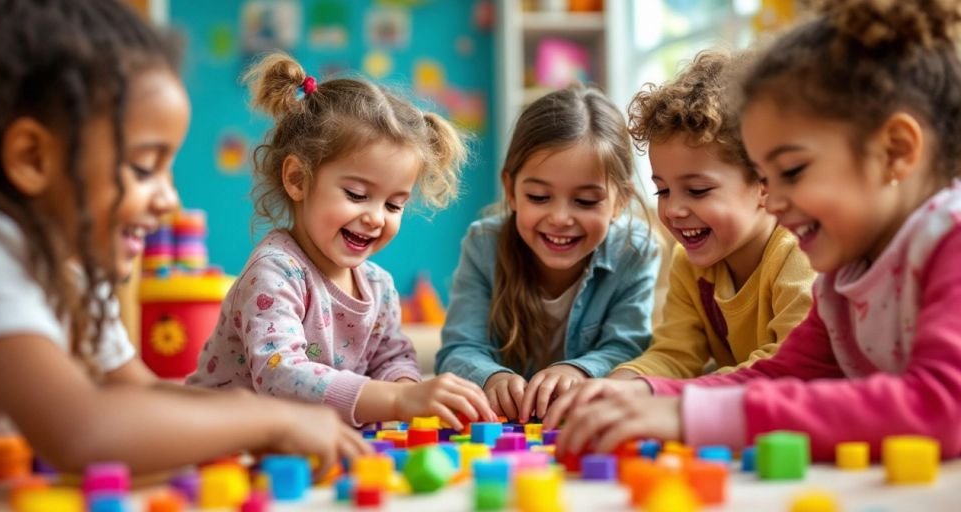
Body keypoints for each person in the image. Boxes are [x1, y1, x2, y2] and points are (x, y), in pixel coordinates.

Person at [0, 0, 370, 476]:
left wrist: (258, 421)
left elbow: (137, 393)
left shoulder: (73, 275)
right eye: (145, 167)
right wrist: (267, 420)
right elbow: (83, 432)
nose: (168, 199)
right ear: (33, 158)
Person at [548, 0, 961, 461]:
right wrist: (649, 395)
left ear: (896, 151)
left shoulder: (951, 240)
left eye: (792, 171)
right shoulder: (844, 273)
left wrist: (687, 416)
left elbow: (941, 406)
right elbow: (784, 374)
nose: (773, 198)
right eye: (766, 174)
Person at [187, 52, 497, 430]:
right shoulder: (275, 272)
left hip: (306, 443)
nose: (375, 217)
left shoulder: (379, 287)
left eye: (394, 205)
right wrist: (397, 400)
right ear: (298, 180)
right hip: (222, 438)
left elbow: (392, 358)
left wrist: (405, 390)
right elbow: (280, 377)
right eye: (356, 194)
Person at [543, 50, 815, 422]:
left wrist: (666, 397)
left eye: (698, 191)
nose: (672, 210)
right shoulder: (690, 264)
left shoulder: (799, 253)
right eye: (663, 190)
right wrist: (618, 385)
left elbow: (788, 366)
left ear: (766, 183)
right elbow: (674, 354)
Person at [435, 86, 660, 422]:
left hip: (581, 421)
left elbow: (628, 349)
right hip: (508, 425)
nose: (559, 218)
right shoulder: (483, 243)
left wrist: (578, 372)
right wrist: (492, 377)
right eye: (539, 197)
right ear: (511, 191)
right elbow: (459, 349)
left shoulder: (635, 250)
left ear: (621, 201)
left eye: (585, 201)